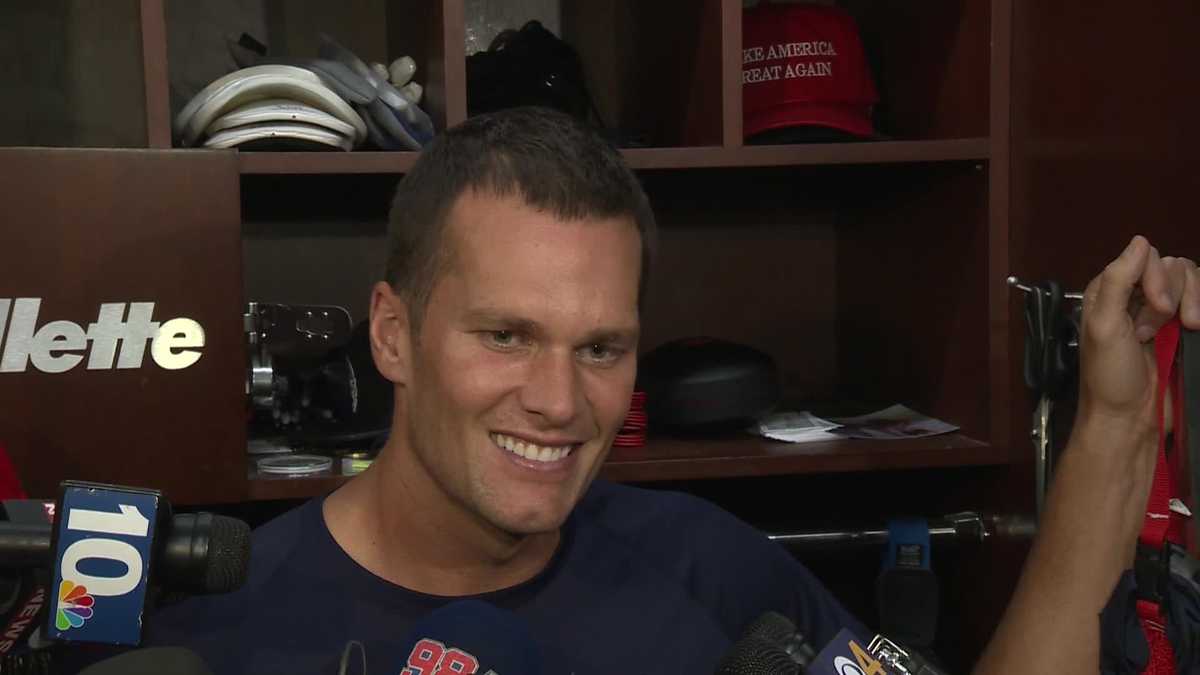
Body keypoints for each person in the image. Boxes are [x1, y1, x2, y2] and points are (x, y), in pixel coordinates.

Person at [144, 107, 1200, 675]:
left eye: (601, 348)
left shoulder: (715, 572)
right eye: (507, 335)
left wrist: (1113, 421)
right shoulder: (218, 628)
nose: (559, 401)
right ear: (393, 335)